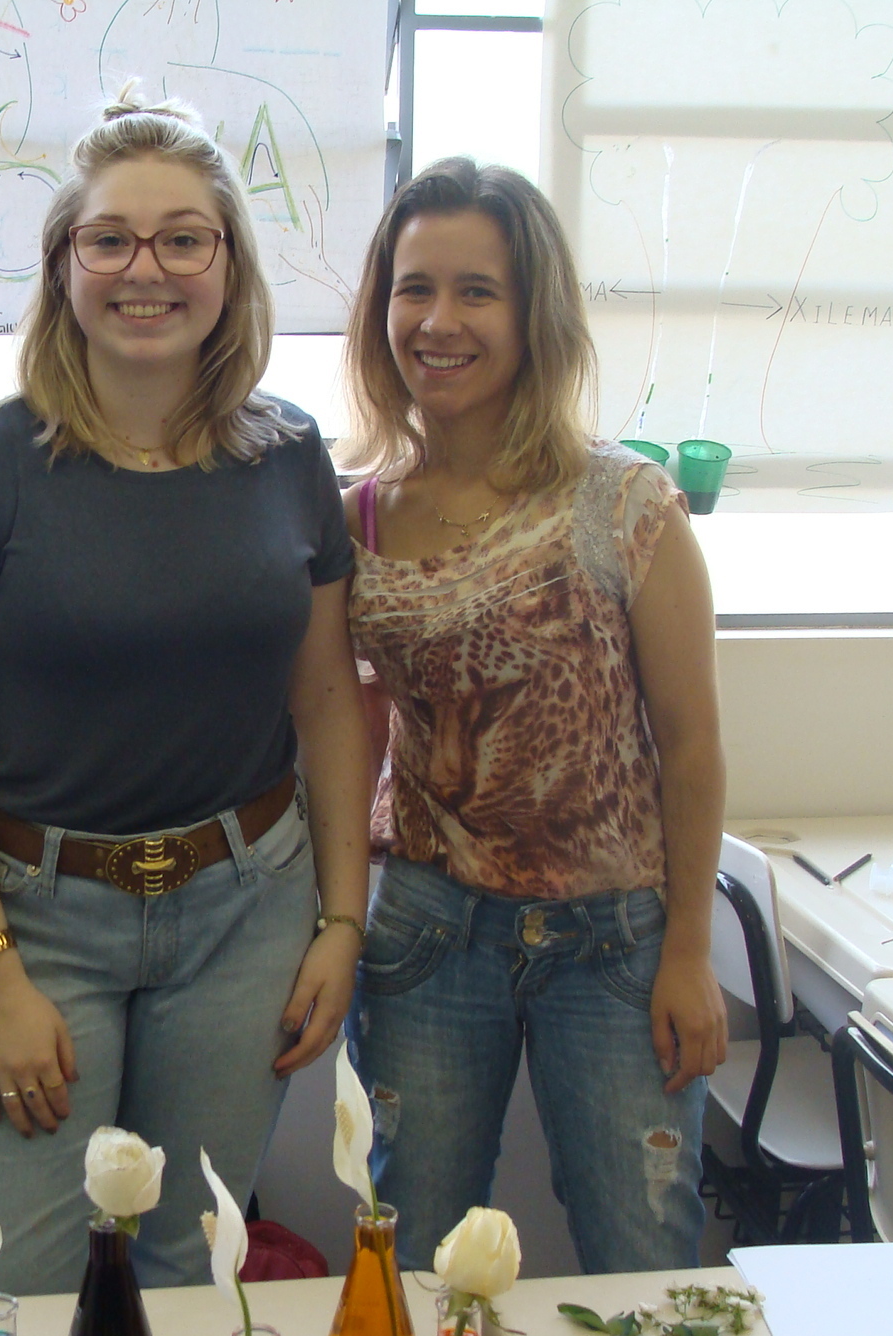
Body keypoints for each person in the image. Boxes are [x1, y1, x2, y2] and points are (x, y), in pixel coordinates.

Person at [0, 92, 370, 1299]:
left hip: (246, 910)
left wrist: (340, 920)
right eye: (108, 239)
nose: (143, 270)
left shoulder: (288, 455)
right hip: (35, 922)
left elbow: (326, 703)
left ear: (228, 265)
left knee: (188, 1268)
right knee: (12, 1283)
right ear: (64, 265)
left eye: (182, 239)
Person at [340, 157, 728, 1275]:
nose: (438, 321)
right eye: (414, 289)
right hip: (427, 930)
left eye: (478, 291)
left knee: (643, 1258)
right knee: (414, 1255)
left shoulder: (624, 503)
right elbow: (344, 733)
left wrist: (689, 953)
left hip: (614, 944)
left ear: (533, 313)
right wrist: (333, 921)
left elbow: (691, 748)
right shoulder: (354, 518)